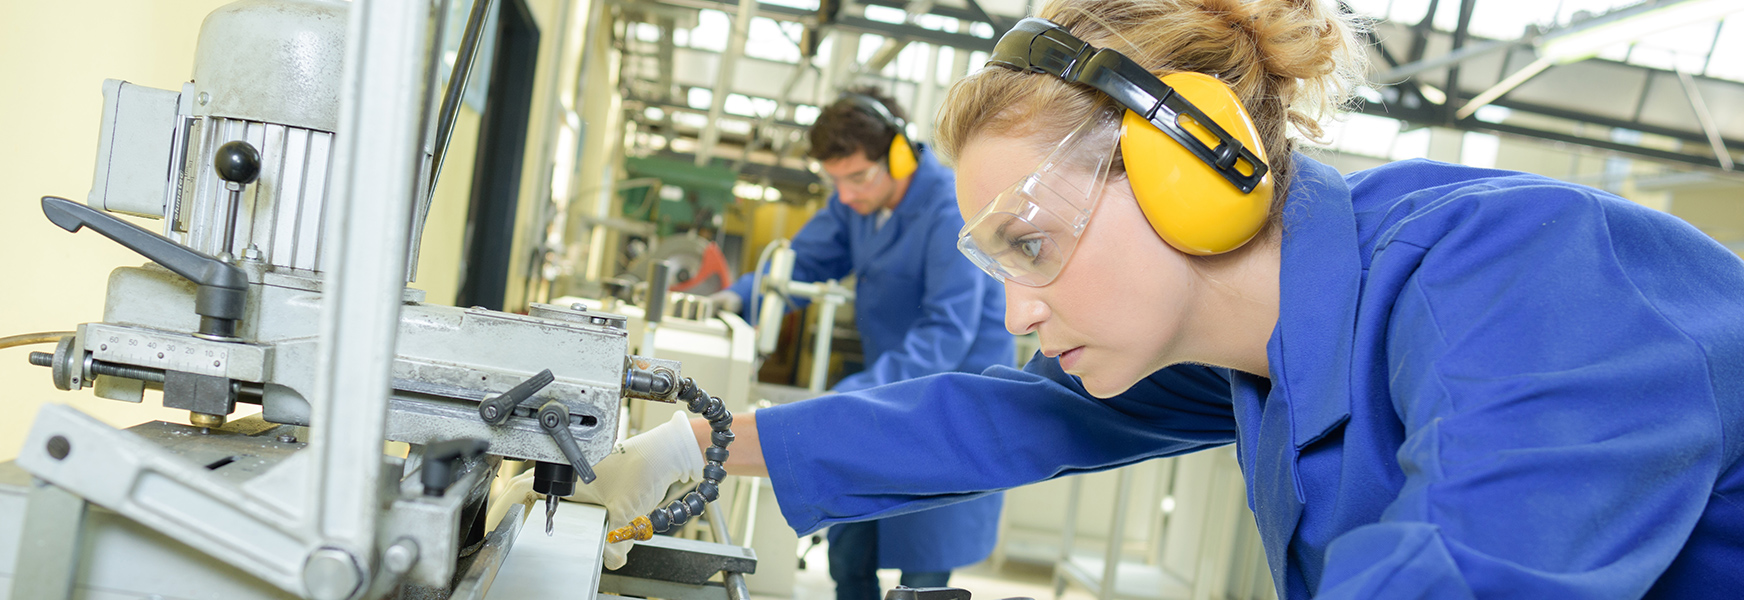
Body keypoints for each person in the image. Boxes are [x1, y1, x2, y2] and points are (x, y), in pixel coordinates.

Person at [575, 1, 1744, 597]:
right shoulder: (1261, 348)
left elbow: (1474, 571)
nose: (1020, 309)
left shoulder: (1514, 275)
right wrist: (706, 440)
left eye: (1031, 242)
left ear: (1191, 173)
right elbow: (999, 413)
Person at [631, 88, 1013, 597]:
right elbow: (802, 263)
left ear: (899, 154)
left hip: (950, 400)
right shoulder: (855, 202)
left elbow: (945, 333)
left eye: (857, 177)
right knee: (851, 547)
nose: (847, 194)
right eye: (835, 180)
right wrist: (736, 299)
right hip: (892, 385)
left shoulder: (948, 209)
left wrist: (856, 396)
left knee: (923, 558)